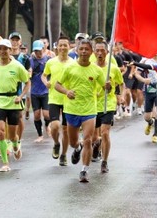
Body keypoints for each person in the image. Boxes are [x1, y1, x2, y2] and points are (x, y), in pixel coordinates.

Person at [55, 39, 107, 183]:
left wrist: (107, 86)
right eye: (81, 49)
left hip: (90, 110)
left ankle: (84, 170)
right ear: (77, 51)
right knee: (73, 142)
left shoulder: (96, 70)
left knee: (88, 139)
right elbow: (57, 85)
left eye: (87, 49)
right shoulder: (70, 68)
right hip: (71, 109)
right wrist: (66, 92)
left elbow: (105, 87)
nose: (84, 51)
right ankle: (77, 148)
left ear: (92, 52)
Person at [0, 39, 30, 172]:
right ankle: (5, 163)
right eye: (0, 49)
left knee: (12, 135)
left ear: (10, 51)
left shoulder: (17, 66)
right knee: (0, 132)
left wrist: (21, 97)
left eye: (6, 49)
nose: (3, 51)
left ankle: (15, 145)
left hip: (14, 102)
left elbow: (27, 82)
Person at [42, 36, 75, 166]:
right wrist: (46, 83)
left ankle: (64, 155)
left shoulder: (73, 63)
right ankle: (56, 143)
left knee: (66, 130)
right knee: (55, 126)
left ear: (69, 46)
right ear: (57, 47)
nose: (62, 48)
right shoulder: (51, 62)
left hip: (68, 99)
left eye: (65, 45)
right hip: (54, 98)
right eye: (60, 45)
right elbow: (43, 75)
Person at [92, 42, 123, 173]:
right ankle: (97, 144)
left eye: (102, 51)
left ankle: (104, 161)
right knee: (94, 137)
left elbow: (121, 84)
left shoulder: (113, 68)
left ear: (107, 52)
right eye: (97, 51)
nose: (100, 53)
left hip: (108, 103)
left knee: (105, 132)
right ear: (94, 53)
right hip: (93, 104)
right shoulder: (91, 68)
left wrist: (119, 95)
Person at [29, 40, 50, 142]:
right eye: (36, 51)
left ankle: (47, 125)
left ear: (43, 49)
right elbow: (29, 72)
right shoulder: (31, 60)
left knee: (46, 114)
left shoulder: (48, 60)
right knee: (37, 115)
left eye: (40, 50)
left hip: (45, 91)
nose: (38, 52)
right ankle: (40, 135)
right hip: (34, 92)